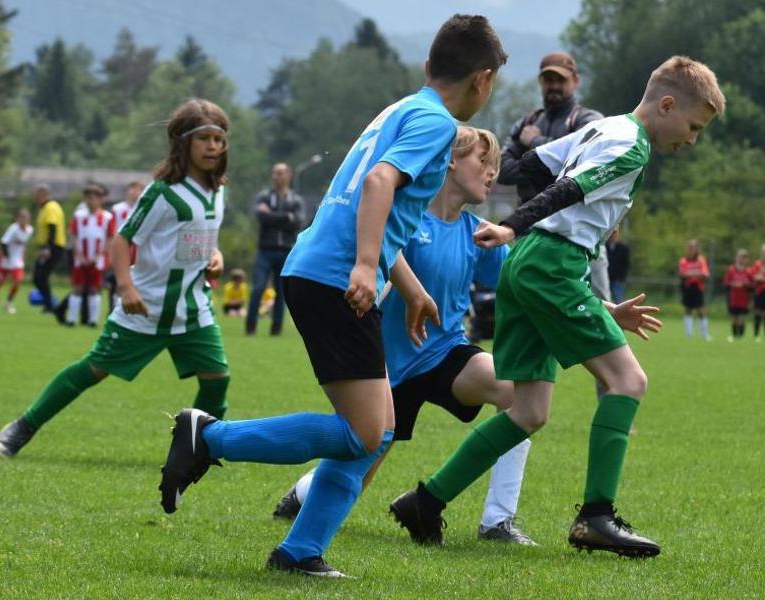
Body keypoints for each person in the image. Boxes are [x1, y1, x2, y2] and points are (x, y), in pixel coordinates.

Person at [156, 15, 507, 579]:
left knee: (377, 429)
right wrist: (367, 266)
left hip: (318, 267)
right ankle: (209, 436)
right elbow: (377, 185)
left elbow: (374, 199)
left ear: (428, 67)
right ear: (483, 79)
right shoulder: (437, 123)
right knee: (366, 432)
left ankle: (300, 551)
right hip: (335, 276)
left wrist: (407, 287)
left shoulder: (401, 108)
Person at [388, 55, 724, 558]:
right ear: (668, 104)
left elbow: (535, 164)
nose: (692, 139)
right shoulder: (630, 146)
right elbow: (570, 189)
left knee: (527, 411)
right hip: (550, 262)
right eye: (693, 126)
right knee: (628, 381)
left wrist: (474, 185)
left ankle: (425, 501)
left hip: (528, 266)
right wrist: (511, 224)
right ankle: (596, 517)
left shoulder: (602, 127)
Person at [274, 127, 543, 545]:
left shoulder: (480, 235)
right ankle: (304, 490)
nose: (491, 175)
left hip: (445, 353)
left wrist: (598, 309)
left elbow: (529, 284)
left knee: (515, 390)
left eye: (495, 168)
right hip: (386, 368)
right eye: (482, 163)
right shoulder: (404, 218)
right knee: (354, 471)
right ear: (450, 162)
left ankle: (497, 521)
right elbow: (376, 251)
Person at [0, 98, 233, 458]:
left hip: (193, 308)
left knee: (217, 378)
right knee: (93, 369)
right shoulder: (162, 193)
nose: (213, 146)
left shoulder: (219, 190)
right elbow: (121, 241)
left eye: (219, 138)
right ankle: (23, 426)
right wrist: (126, 287)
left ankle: (194, 452)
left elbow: (207, 240)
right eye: (204, 138)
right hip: (144, 308)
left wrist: (216, 257)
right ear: (182, 142)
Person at [498, 51, 609, 300]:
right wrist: (557, 164)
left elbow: (588, 165)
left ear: (576, 80)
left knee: (602, 311)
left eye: (561, 79)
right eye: (549, 80)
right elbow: (502, 171)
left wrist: (535, 143)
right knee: (530, 309)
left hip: (581, 235)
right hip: (530, 233)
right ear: (541, 82)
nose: (554, 86)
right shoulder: (525, 122)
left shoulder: (589, 121)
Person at [245, 163, 306, 336]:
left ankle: (276, 329)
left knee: (282, 292)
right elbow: (260, 216)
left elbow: (298, 222)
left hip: (286, 251)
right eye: (274, 173)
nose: (276, 177)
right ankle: (250, 326)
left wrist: (272, 216)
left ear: (288, 175)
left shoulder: (296, 200)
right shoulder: (264, 196)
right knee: (258, 288)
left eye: (279, 173)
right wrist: (286, 217)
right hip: (265, 250)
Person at [65, 183, 116, 328]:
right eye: (88, 197)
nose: (91, 200)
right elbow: (73, 236)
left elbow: (110, 238)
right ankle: (71, 319)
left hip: (97, 259)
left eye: (94, 197)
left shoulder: (107, 217)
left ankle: (92, 321)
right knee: (77, 288)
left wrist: (99, 255)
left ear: (101, 200)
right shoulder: (79, 216)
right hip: (80, 258)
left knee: (95, 288)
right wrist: (79, 255)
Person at [106, 181, 145, 313]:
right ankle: (115, 310)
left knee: (136, 281)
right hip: (121, 249)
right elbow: (111, 232)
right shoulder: (117, 209)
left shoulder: (144, 208)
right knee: (117, 282)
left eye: (138, 189)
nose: (134, 192)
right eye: (131, 189)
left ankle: (132, 311)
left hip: (138, 251)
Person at [0, 209, 33, 313]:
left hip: (17, 261)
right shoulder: (13, 228)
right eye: (22, 218)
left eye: (25, 218)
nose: (23, 220)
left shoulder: (30, 230)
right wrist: (7, 256)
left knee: (18, 281)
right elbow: (3, 242)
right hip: (5, 260)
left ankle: (8, 303)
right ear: (18, 218)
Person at [31, 184, 65, 313]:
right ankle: (49, 304)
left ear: (43, 194)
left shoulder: (50, 208)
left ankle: (50, 305)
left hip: (53, 247)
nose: (34, 197)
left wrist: (47, 248)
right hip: (48, 247)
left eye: (36, 194)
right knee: (40, 277)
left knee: (40, 276)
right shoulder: (45, 207)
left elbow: (52, 228)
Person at [678, 239, 710, 340]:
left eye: (694, 247)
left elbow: (705, 274)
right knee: (688, 310)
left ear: (697, 249)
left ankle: (705, 334)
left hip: (698, 288)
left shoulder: (701, 260)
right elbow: (682, 274)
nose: (692, 249)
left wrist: (691, 273)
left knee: (701, 310)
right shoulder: (684, 260)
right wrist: (696, 273)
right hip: (687, 288)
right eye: (690, 247)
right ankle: (689, 334)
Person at [723, 249, 753, 341]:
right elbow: (726, 283)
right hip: (733, 298)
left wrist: (745, 284)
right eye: (740, 257)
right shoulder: (731, 269)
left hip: (744, 298)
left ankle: (741, 335)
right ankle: (734, 335)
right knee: (734, 317)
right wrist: (733, 284)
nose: (742, 260)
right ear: (736, 258)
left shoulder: (748, 271)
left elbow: (752, 284)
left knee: (741, 317)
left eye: (744, 258)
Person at [606, 228, 630, 303]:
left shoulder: (623, 248)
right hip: (606, 278)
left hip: (617, 279)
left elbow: (626, 264)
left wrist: (622, 277)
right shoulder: (603, 247)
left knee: (618, 300)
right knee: (605, 299)